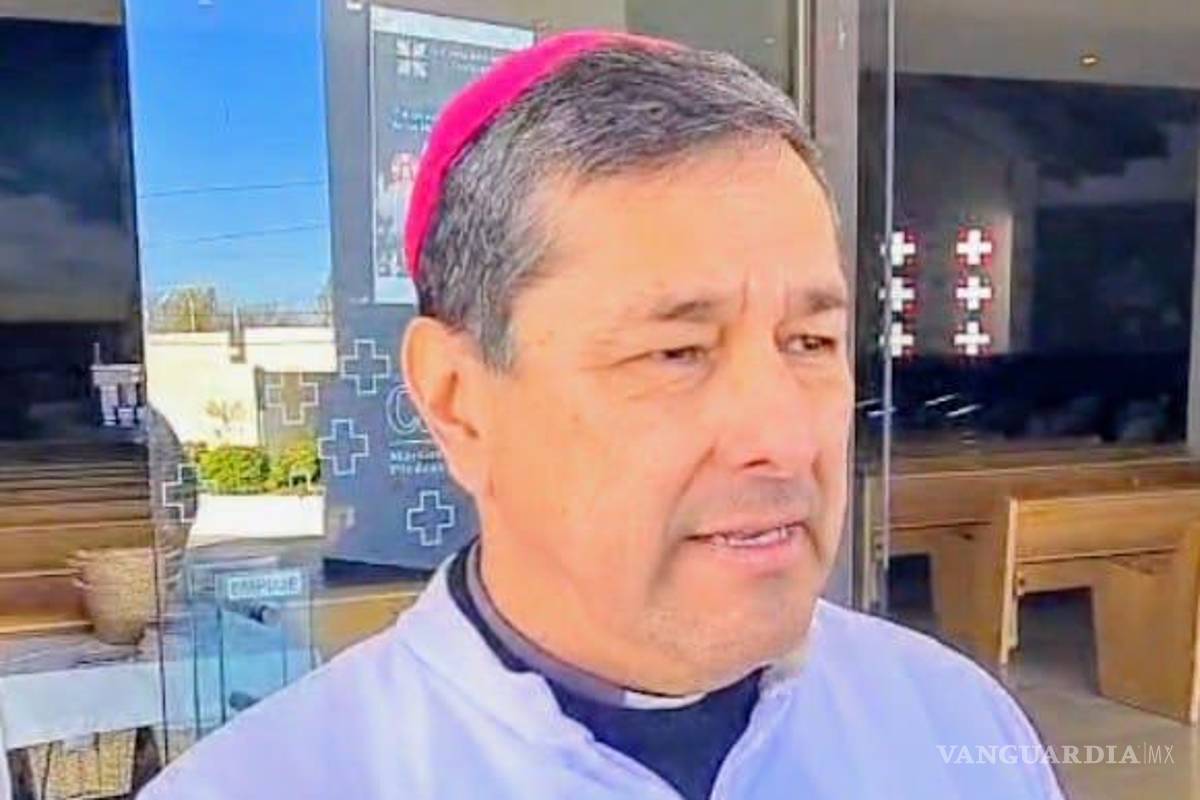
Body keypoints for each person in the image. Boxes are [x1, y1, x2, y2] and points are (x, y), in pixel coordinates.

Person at [140, 31, 1064, 799]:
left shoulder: (953, 726)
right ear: (458, 402)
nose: (784, 438)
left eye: (810, 342)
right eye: (676, 352)